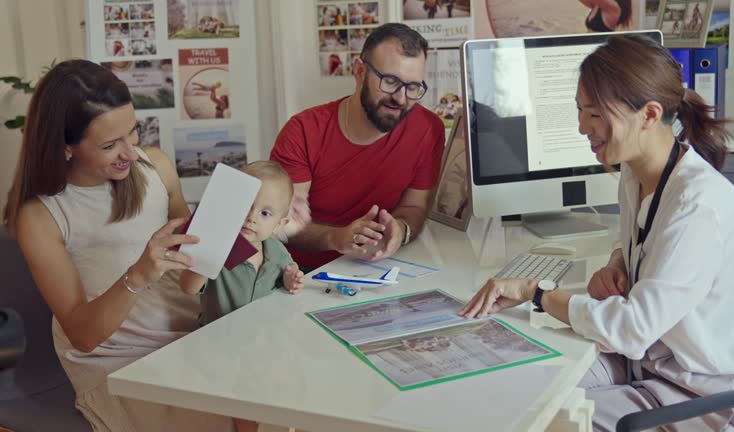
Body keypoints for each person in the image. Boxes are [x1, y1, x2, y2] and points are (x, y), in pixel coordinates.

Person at [460, 34, 734, 431]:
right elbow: (645, 234)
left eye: (595, 113)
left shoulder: (698, 207)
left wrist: (535, 292)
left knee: (544, 420)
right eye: (580, 112)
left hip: (707, 394)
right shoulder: (638, 173)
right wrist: (619, 260)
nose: (582, 127)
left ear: (650, 114)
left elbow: (632, 327)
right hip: (653, 362)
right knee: (522, 387)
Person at [3, 59, 234, 431]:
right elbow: (83, 335)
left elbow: (191, 259)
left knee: (276, 398)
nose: (131, 152)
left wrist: (238, 226)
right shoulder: (42, 216)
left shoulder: (154, 166)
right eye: (111, 144)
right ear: (65, 147)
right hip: (117, 362)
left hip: (190, 337)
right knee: (233, 420)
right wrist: (139, 274)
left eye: (133, 132)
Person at [271, 23, 445, 270]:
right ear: (360, 72)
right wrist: (336, 238)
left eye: (413, 87)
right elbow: (282, 224)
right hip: (302, 277)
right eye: (390, 81)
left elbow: (414, 207)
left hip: (382, 270)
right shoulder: (303, 132)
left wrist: (401, 229)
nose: (401, 98)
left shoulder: (429, 129)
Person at [179, 161, 303, 432]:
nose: (251, 217)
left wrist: (291, 279)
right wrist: (207, 253)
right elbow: (188, 287)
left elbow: (288, 275)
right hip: (220, 342)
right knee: (243, 394)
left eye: (265, 213)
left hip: (262, 339)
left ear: (280, 223)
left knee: (288, 375)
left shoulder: (276, 251)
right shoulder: (220, 249)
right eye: (245, 206)